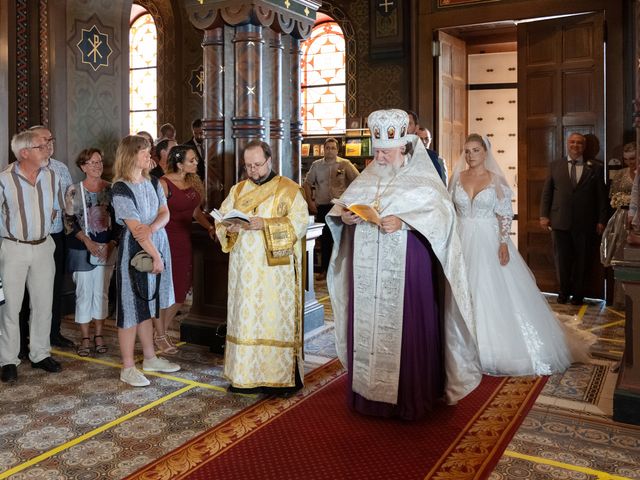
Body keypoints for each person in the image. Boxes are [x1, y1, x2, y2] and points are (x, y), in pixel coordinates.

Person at [326, 109, 481, 420]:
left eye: (385, 151)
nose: (379, 157)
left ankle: (410, 399)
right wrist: (346, 217)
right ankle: (368, 398)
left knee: (408, 325)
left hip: (409, 266)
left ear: (403, 146)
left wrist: (406, 222)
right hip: (368, 270)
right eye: (377, 150)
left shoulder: (423, 178)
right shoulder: (369, 174)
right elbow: (342, 208)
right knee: (369, 325)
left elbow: (442, 218)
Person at [450, 134, 592, 375]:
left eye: (475, 150)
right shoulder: (456, 180)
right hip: (461, 239)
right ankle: (460, 343)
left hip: (489, 239)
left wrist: (503, 243)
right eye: (467, 151)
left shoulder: (496, 181)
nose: (470, 155)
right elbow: (450, 211)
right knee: (462, 290)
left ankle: (491, 347)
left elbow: (505, 214)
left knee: (488, 290)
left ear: (485, 152)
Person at [215, 140, 308, 394]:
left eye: (257, 164)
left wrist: (264, 224)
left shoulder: (288, 190)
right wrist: (229, 227)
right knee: (245, 319)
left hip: (274, 272)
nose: (253, 170)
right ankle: (244, 377)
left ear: (269, 161)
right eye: (248, 166)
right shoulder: (238, 191)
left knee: (273, 319)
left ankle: (277, 378)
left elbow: (299, 224)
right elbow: (222, 220)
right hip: (244, 272)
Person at [111, 135, 180, 387]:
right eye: (143, 152)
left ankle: (150, 357)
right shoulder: (120, 188)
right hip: (137, 252)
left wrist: (151, 230)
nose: (148, 156)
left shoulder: (152, 182)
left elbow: (165, 212)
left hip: (155, 241)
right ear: (130, 155)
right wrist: (154, 254)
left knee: (147, 307)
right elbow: (135, 227)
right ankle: (127, 366)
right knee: (131, 307)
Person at [0, 130, 64, 383]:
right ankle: (8, 359)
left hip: (43, 246)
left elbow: (57, 210)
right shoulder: (4, 180)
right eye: (41, 145)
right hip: (13, 248)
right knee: (11, 307)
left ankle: (39, 354)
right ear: (24, 152)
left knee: (43, 303)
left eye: (49, 143)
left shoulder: (52, 177)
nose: (48, 148)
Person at [18, 126, 75, 354]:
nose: (49, 144)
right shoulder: (18, 171)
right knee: (24, 293)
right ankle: (22, 342)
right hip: (27, 238)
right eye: (44, 140)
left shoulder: (60, 169)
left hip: (56, 234)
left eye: (51, 140)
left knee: (53, 288)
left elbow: (69, 202)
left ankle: (53, 333)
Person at [157, 145, 215, 354]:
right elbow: (155, 214)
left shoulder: (192, 181)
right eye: (192, 160)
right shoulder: (163, 183)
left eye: (196, 160)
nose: (196, 163)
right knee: (166, 290)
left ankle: (160, 331)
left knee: (181, 291)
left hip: (184, 240)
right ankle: (161, 335)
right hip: (166, 240)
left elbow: (196, 212)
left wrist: (209, 227)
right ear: (179, 164)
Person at [540, 132, 608, 305]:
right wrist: (544, 215)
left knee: (582, 261)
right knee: (561, 260)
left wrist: (601, 220)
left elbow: (601, 197)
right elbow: (547, 193)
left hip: (585, 223)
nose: (575, 145)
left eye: (579, 143)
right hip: (559, 221)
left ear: (584, 147)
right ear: (567, 144)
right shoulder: (555, 165)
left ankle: (578, 295)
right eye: (572, 142)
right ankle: (563, 293)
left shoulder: (596, 168)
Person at [64, 148, 120, 356]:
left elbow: (119, 221)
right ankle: (85, 337)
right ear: (83, 166)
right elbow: (69, 221)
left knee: (102, 293)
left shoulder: (111, 189)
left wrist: (112, 244)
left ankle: (99, 335)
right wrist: (87, 242)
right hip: (81, 248)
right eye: (92, 163)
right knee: (83, 293)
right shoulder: (73, 190)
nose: (97, 166)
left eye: (99, 162)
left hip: (107, 248)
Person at [303, 137, 359, 280]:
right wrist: (310, 202)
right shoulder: (316, 165)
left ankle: (341, 272)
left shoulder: (345, 164)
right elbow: (307, 184)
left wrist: (351, 201)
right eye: (327, 148)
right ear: (323, 149)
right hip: (323, 207)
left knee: (341, 239)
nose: (330, 150)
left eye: (333, 148)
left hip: (340, 208)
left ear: (337, 150)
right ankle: (324, 270)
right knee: (325, 239)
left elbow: (358, 181)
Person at [406, 110, 446, 184]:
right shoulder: (389, 154)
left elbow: (439, 185)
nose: (405, 127)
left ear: (416, 128)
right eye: (402, 124)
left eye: (409, 124)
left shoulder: (430, 156)